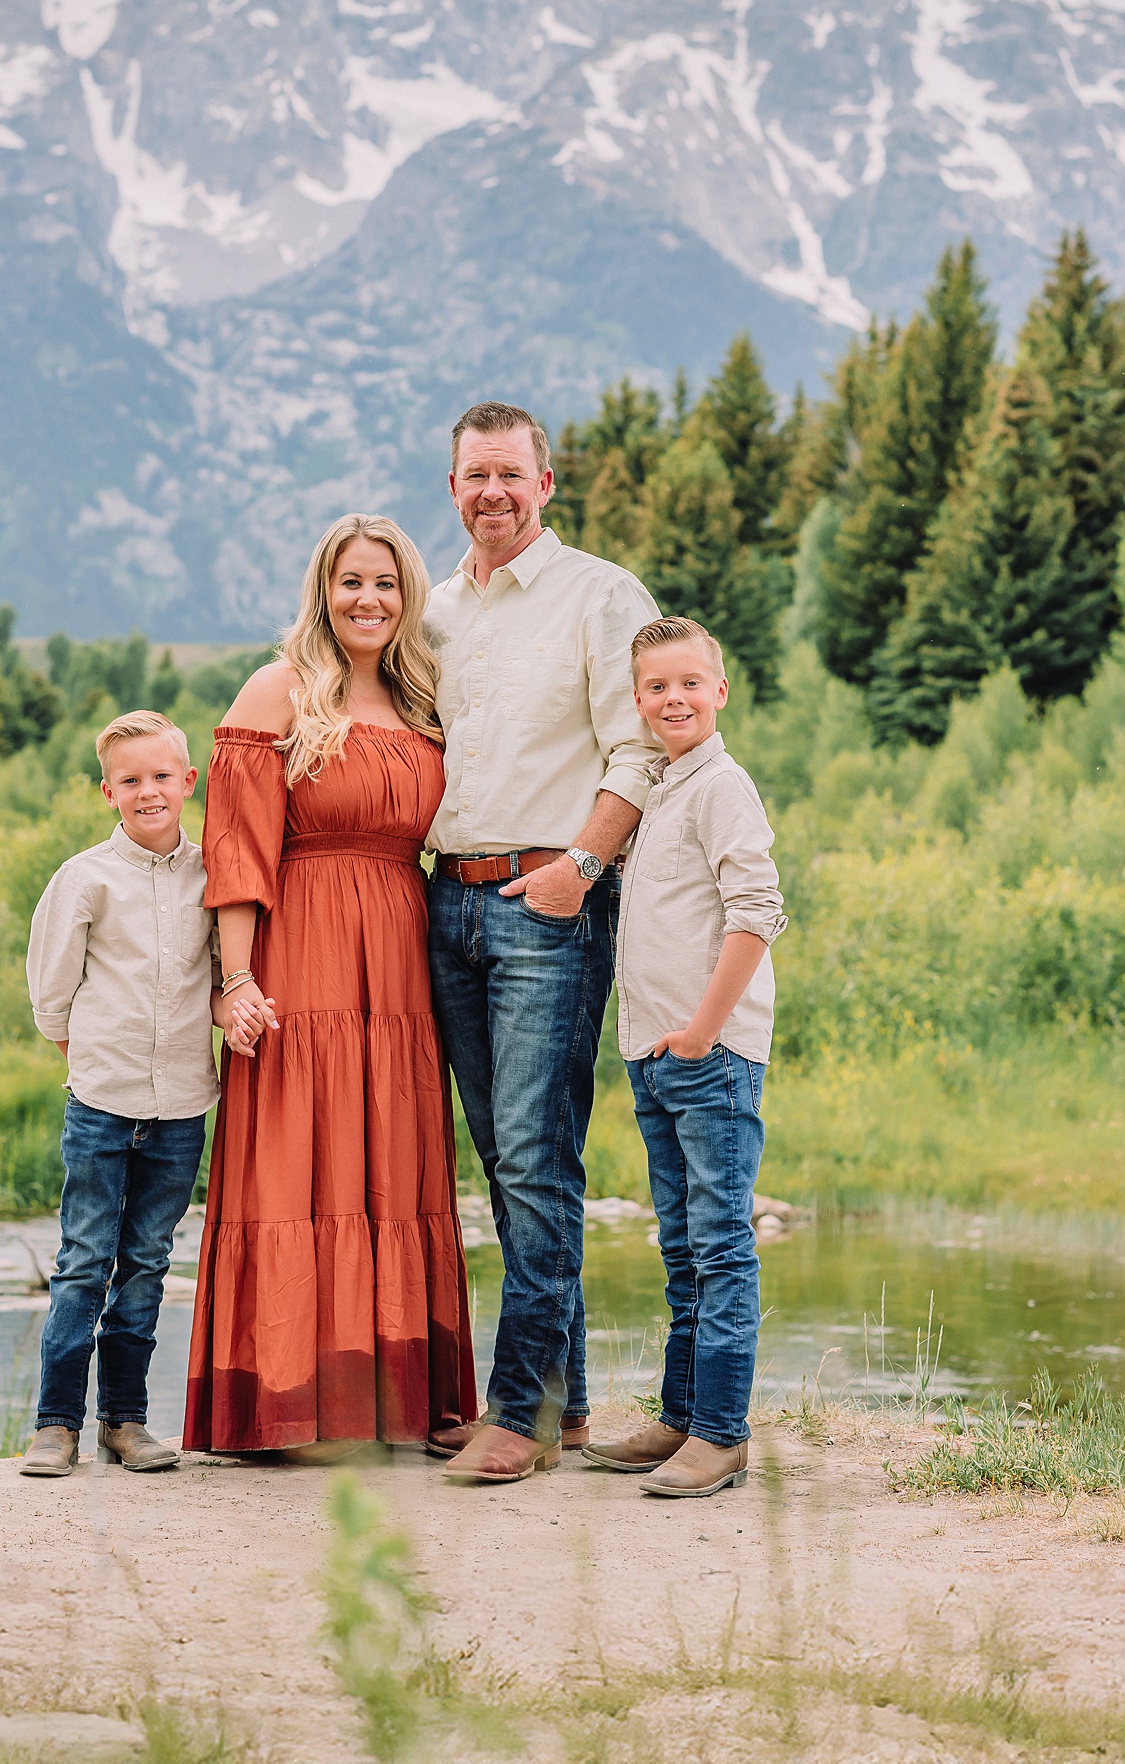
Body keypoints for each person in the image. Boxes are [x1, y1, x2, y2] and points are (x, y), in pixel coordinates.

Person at [183, 513, 476, 1459]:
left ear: (408, 597)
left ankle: (395, 1402)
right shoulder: (278, 690)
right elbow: (236, 852)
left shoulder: (424, 700)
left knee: (390, 1157)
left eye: (385, 584)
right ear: (323, 591)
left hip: (397, 958)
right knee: (294, 1158)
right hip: (299, 952)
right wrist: (235, 981)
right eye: (351, 581)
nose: (369, 599)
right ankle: (285, 1402)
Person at [425, 401, 662, 1485]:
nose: (492, 493)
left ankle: (513, 1416)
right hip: (446, 902)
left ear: (546, 484)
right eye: (474, 475)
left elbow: (645, 746)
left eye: (510, 474)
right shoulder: (431, 613)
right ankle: (562, 1405)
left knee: (532, 1158)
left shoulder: (599, 595)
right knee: (506, 1158)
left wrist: (583, 868)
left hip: (547, 903)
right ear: (452, 485)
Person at [20, 709, 272, 1478]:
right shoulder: (86, 877)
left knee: (147, 1263)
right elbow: (50, 995)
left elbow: (213, 983)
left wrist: (236, 1009)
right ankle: (56, 1422)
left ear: (189, 781)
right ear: (108, 791)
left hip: (182, 1108)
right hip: (101, 1103)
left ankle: (124, 1420)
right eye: (131, 780)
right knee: (84, 1257)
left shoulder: (210, 877)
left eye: (162, 776)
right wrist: (91, 1061)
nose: (149, 791)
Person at [585, 617, 786, 1496]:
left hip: (711, 1052)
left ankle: (722, 1432)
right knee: (681, 1245)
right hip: (653, 1049)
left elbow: (757, 912)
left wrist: (704, 1028)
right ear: (637, 700)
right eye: (657, 687)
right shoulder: (664, 789)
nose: (674, 698)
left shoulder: (722, 788)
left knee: (721, 1246)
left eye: (689, 684)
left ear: (720, 690)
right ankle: (678, 1417)